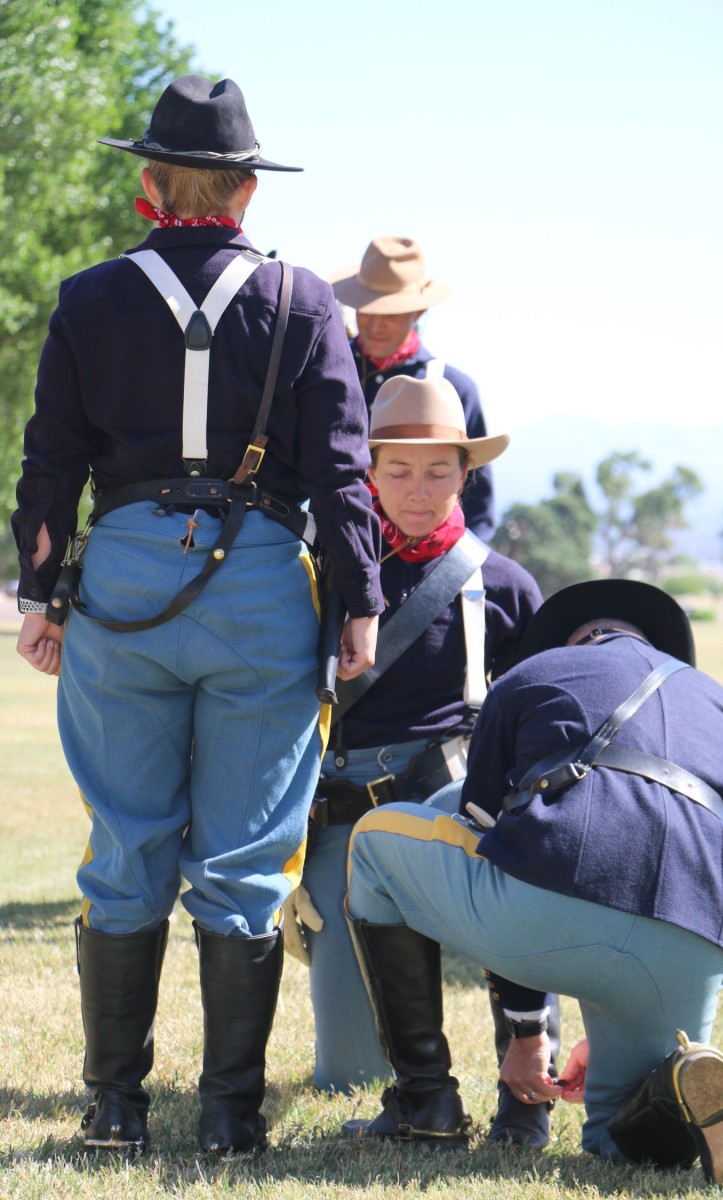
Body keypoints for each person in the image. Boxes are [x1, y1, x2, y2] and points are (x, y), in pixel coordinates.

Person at [11, 74, 382, 1157]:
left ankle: (115, 1109)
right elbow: (343, 477)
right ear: (245, 194)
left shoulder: (86, 297)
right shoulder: (305, 300)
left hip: (125, 575)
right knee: (246, 856)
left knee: (125, 843)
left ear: (149, 182)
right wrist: (355, 603)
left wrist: (42, 596)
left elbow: (50, 464)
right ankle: (227, 1118)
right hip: (259, 578)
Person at [344, 580, 723, 1189]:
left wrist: (527, 1030)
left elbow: (496, 844)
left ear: (574, 640)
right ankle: (675, 1089)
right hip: (692, 943)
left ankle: (425, 1104)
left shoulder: (536, 673)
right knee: (618, 1138)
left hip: (549, 911)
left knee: (371, 839)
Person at [285, 373, 559, 1146]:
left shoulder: (505, 585)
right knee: (347, 1068)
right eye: (397, 469)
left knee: (525, 911)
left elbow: (542, 716)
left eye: (439, 469)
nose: (417, 487)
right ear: (366, 471)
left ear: (467, 476)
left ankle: (527, 1092)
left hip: (460, 804)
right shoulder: (321, 568)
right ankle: (420, 1101)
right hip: (341, 818)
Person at [329, 236, 497, 542]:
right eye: (367, 309)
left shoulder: (455, 390)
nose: (376, 325)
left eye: (390, 313)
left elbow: (479, 510)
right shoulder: (325, 377)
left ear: (418, 312)